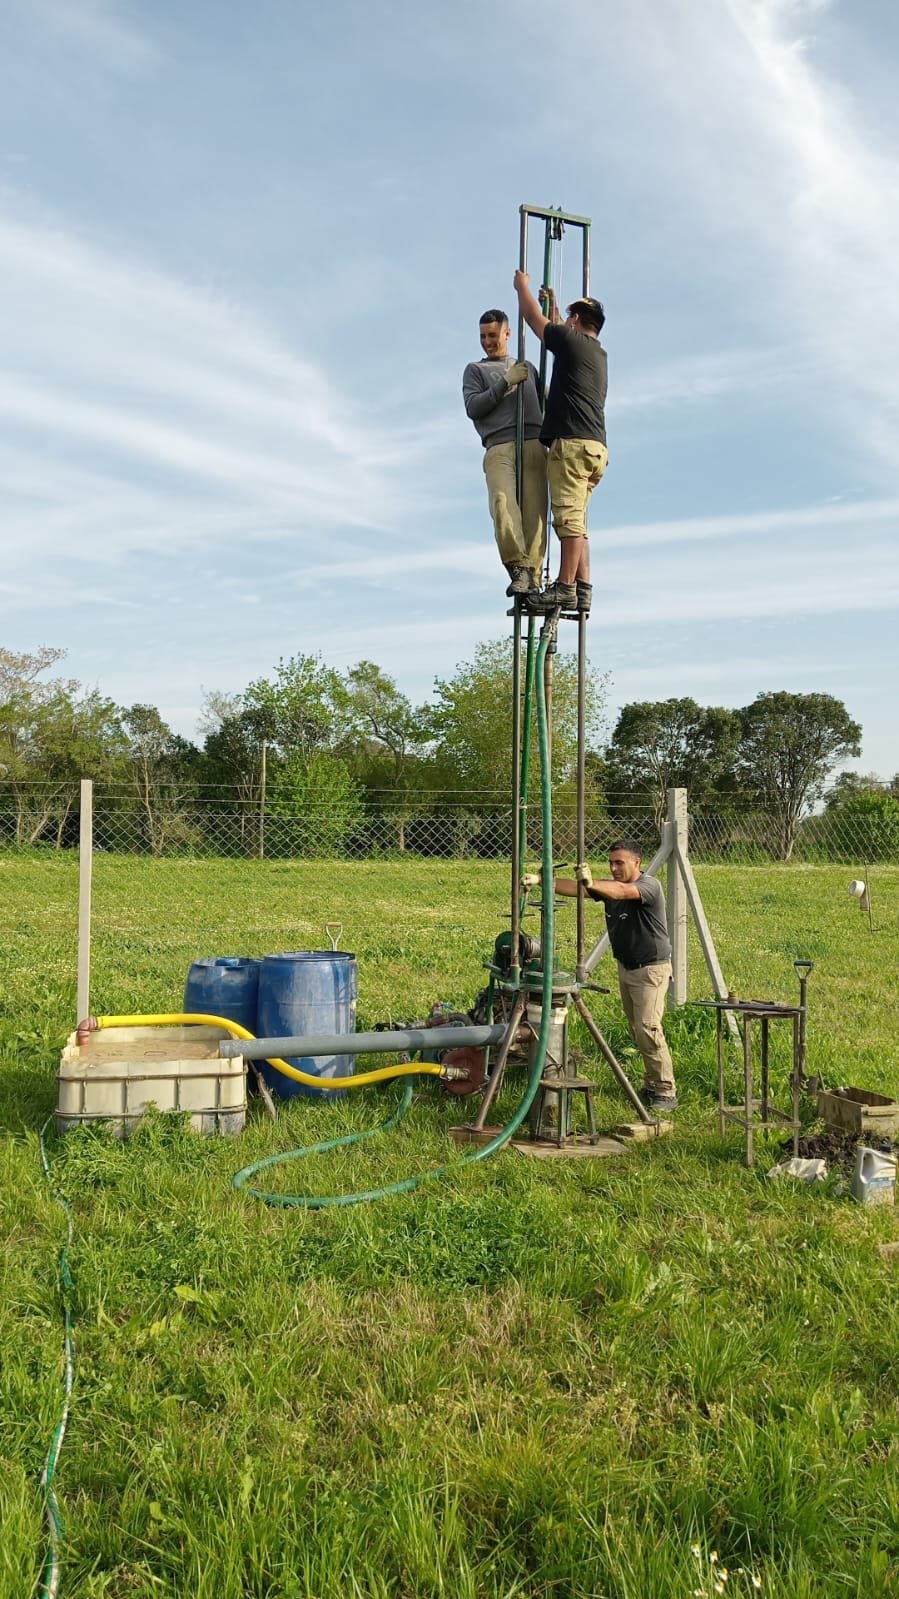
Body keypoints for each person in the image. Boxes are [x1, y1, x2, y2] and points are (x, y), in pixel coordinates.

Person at [554, 840, 677, 1112]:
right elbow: (581, 889)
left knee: (648, 1029)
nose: (613, 867)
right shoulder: (608, 887)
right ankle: (651, 1082)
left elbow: (621, 892)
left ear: (637, 863)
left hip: (651, 969)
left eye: (619, 862)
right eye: (610, 863)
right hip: (627, 967)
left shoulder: (648, 887)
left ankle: (666, 1091)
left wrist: (590, 882)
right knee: (638, 1030)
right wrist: (544, 881)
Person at [512, 272, 608, 615]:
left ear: (578, 320)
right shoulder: (595, 353)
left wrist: (521, 288)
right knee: (578, 521)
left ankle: (564, 589)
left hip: (572, 445)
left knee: (568, 521)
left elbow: (534, 322)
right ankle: (583, 588)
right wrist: (553, 306)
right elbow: (557, 329)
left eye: (568, 317)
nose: (564, 322)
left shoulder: (572, 343)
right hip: (595, 448)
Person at [462, 309, 548, 597]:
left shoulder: (528, 367)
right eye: (483, 336)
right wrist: (505, 382)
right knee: (502, 504)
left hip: (534, 442)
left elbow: (547, 402)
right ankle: (518, 568)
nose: (487, 341)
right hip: (499, 446)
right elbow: (474, 407)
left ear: (507, 334)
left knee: (535, 512)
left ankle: (534, 575)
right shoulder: (476, 370)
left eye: (493, 335)